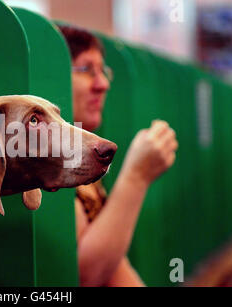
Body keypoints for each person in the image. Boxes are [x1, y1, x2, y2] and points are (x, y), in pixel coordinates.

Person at [58, 25, 179, 287]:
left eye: (103, 71)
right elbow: (88, 276)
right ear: (52, 73)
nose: (103, 84)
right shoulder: (44, 162)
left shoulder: (80, 160)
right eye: (86, 69)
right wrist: (136, 176)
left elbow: (116, 271)